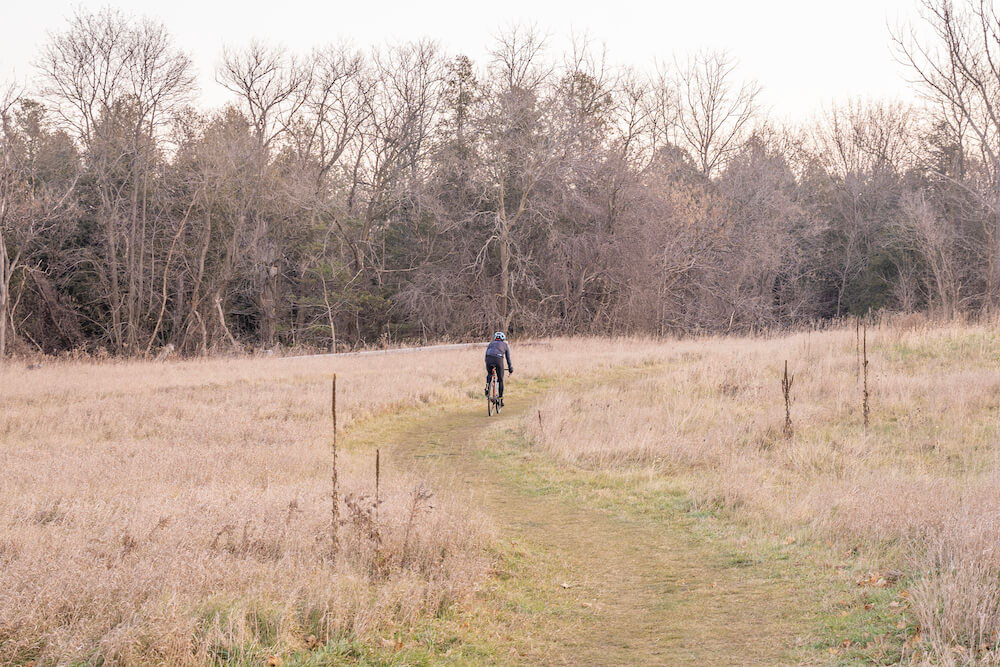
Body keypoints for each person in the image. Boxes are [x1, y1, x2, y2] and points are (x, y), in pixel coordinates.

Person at [485, 331, 513, 406]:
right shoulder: (505, 345)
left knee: (489, 374)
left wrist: (487, 364)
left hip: (488, 359)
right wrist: (510, 368)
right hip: (498, 359)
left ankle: (487, 387)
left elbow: (486, 355)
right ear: (503, 339)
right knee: (500, 379)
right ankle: (500, 399)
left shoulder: (490, 344)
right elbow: (508, 359)